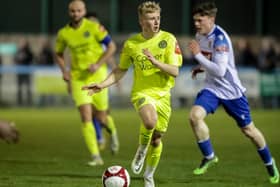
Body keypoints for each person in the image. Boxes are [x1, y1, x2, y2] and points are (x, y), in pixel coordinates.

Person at [83, 1, 182, 186]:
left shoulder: (168, 39)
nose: (156, 22)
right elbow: (120, 70)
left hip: (163, 94)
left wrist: (156, 63)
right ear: (141, 20)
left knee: (157, 139)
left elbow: (175, 71)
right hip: (142, 92)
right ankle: (141, 149)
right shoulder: (132, 44)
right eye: (152, 18)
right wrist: (103, 85)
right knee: (149, 121)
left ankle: (149, 176)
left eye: (158, 18)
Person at [187, 1, 279, 184]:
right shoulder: (200, 35)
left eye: (200, 20)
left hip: (231, 92)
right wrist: (200, 66)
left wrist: (197, 55)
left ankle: (269, 163)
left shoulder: (220, 38)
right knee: (194, 116)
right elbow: (210, 59)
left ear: (211, 19)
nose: (196, 24)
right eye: (195, 20)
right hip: (212, 89)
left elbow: (221, 71)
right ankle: (210, 156)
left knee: (249, 131)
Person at [54, 0, 119, 166]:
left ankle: (112, 132)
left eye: (79, 10)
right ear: (69, 12)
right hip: (78, 78)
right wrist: (65, 71)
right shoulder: (63, 33)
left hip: (98, 76)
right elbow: (58, 54)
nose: (76, 14)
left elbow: (111, 47)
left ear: (84, 11)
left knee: (102, 118)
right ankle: (96, 156)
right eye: (73, 11)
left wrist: (98, 63)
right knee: (85, 116)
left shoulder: (94, 27)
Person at [85, 11, 120, 151]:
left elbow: (110, 57)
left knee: (101, 116)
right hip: (84, 79)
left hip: (100, 79)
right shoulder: (82, 40)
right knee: (88, 113)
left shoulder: (101, 39)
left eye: (95, 22)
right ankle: (99, 138)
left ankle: (113, 134)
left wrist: (116, 77)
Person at [14, 39, 34, 106]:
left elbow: (32, 60)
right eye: (22, 43)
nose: (23, 44)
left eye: (25, 43)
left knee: (28, 88)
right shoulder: (18, 51)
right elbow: (15, 59)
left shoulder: (29, 52)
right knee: (19, 88)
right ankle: (19, 102)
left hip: (27, 72)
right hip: (19, 72)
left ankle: (29, 102)